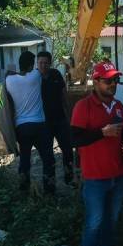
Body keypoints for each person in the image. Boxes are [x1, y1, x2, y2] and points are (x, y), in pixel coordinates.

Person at [70, 62, 123, 246]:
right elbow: (74, 139)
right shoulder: (83, 107)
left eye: (115, 80)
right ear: (95, 82)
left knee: (111, 221)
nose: (112, 84)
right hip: (95, 177)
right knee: (94, 222)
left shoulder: (119, 107)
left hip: (118, 175)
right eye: (107, 80)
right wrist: (101, 133)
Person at [3, 50, 56, 195]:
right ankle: (49, 191)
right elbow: (44, 70)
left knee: (25, 160)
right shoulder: (35, 76)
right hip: (39, 125)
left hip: (21, 127)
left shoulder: (9, 80)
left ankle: (24, 190)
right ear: (32, 65)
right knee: (48, 159)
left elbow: (9, 74)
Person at [36, 51, 75, 185]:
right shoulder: (34, 78)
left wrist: (70, 116)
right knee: (48, 156)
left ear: (50, 63)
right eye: (40, 63)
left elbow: (64, 96)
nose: (43, 66)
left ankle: (69, 179)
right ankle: (49, 185)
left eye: (46, 63)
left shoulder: (56, 74)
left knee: (68, 150)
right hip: (43, 123)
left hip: (60, 120)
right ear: (37, 63)